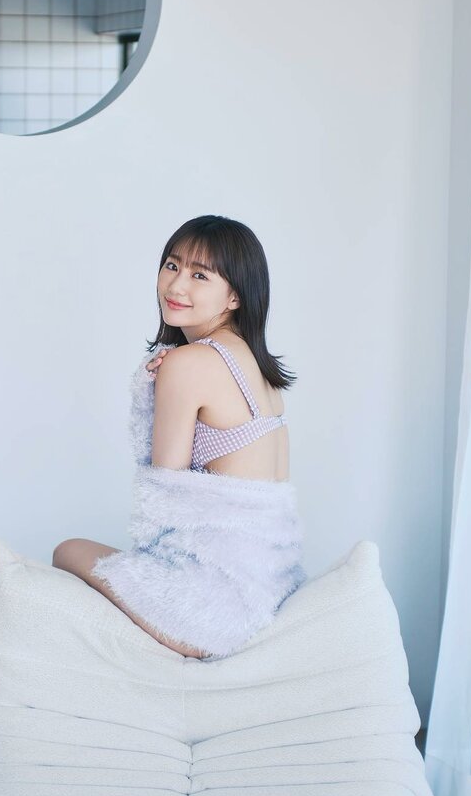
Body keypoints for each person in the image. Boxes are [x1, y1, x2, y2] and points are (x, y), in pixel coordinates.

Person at [52, 214, 300, 658]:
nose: (176, 285)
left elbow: (162, 502)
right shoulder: (260, 371)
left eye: (200, 275)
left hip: (210, 612)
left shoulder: (189, 363)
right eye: (172, 265)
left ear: (235, 296)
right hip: (267, 594)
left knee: (67, 550)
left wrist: (146, 394)